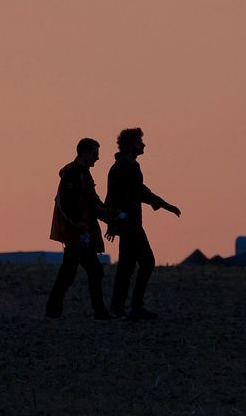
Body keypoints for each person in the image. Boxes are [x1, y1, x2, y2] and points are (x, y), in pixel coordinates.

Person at [45, 137, 125, 319]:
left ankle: (53, 311)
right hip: (77, 235)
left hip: (80, 234)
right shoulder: (73, 174)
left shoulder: (83, 174)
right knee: (92, 271)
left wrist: (110, 214)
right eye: (95, 154)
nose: (97, 158)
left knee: (70, 273)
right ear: (85, 153)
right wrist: (79, 226)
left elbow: (92, 203)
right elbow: (67, 205)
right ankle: (98, 311)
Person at [105, 127, 180, 319]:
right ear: (131, 145)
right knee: (147, 262)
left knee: (127, 266)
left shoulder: (132, 167)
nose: (143, 144)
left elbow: (140, 191)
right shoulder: (120, 168)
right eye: (140, 141)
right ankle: (134, 307)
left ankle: (119, 307)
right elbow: (112, 198)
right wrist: (112, 224)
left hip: (134, 224)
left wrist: (164, 204)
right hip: (129, 226)